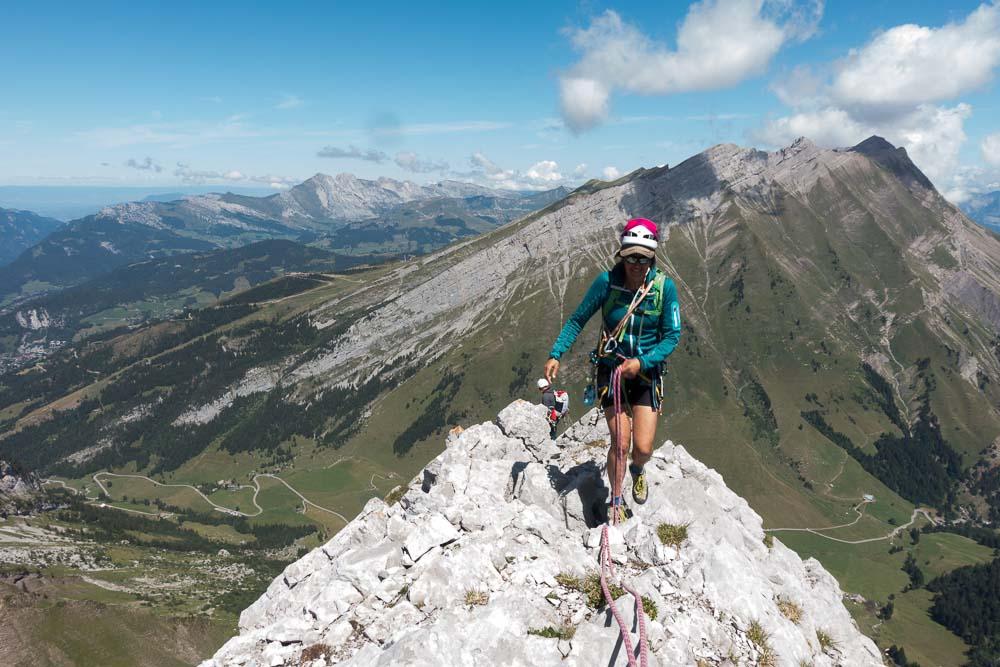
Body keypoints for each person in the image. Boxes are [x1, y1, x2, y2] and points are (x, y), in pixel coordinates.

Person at [544, 218, 681, 522]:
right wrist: (556, 353)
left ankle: (638, 469)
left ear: (652, 257)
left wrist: (643, 362)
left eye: (643, 258)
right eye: (631, 256)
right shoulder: (606, 283)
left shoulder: (664, 288)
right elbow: (578, 319)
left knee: (642, 447)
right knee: (620, 442)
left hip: (646, 372)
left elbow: (672, 335)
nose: (636, 263)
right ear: (621, 254)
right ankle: (616, 502)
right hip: (612, 370)